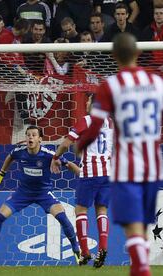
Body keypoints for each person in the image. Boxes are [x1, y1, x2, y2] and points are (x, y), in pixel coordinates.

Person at [77, 32, 163, 276]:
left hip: (127, 166)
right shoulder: (157, 83)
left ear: (114, 56)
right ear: (138, 53)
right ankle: (141, 266)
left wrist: (79, 146)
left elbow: (94, 128)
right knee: (142, 229)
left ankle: (142, 268)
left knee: (133, 231)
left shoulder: (110, 86)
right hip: (153, 164)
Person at [0, 125, 81, 263]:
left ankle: (77, 251)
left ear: (40, 139)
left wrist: (84, 175)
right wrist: (1, 174)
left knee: (63, 218)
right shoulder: (19, 152)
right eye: (28, 134)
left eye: (34, 135)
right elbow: (10, 157)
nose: (30, 137)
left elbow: (69, 164)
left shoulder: (49, 155)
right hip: (23, 193)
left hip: (44, 193)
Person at [51, 94, 113, 267]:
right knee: (102, 210)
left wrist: (56, 157)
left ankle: (85, 252)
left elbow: (65, 144)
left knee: (80, 210)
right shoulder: (110, 122)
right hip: (107, 172)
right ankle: (103, 248)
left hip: (90, 173)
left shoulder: (86, 120)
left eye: (88, 100)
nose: (86, 103)